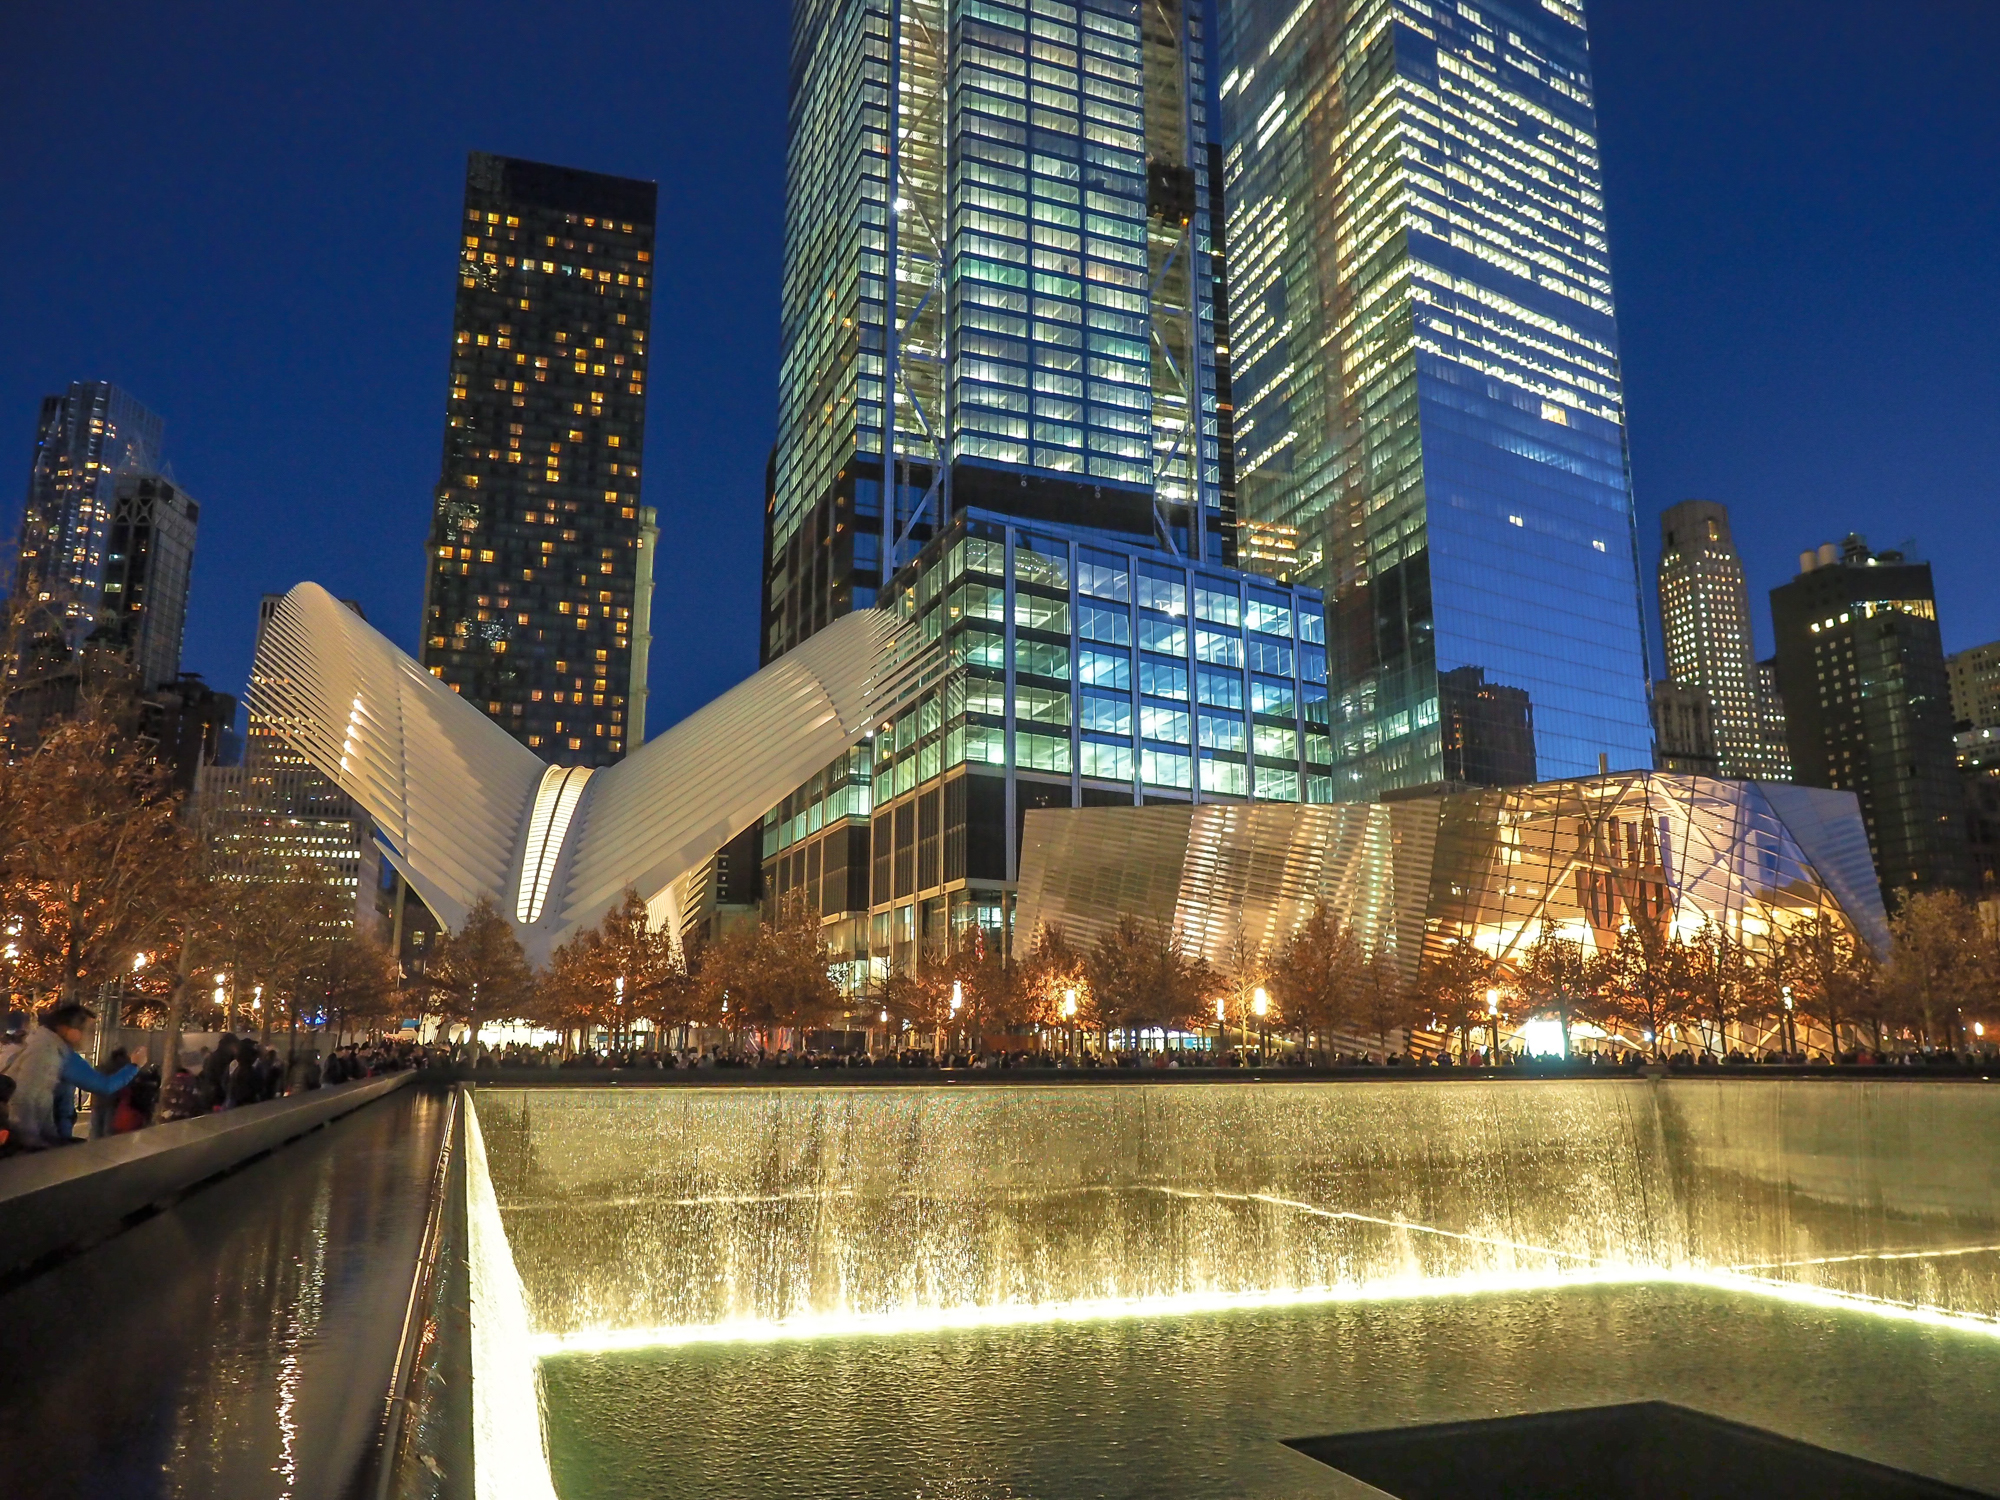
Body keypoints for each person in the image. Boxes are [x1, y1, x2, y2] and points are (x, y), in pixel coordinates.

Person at [0, 1003, 140, 1148]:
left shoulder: (46, 1047)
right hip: (33, 1141)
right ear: (67, 1029)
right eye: (89, 1030)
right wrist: (134, 1065)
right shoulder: (49, 1054)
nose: (92, 1036)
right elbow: (25, 1100)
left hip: (42, 1136)